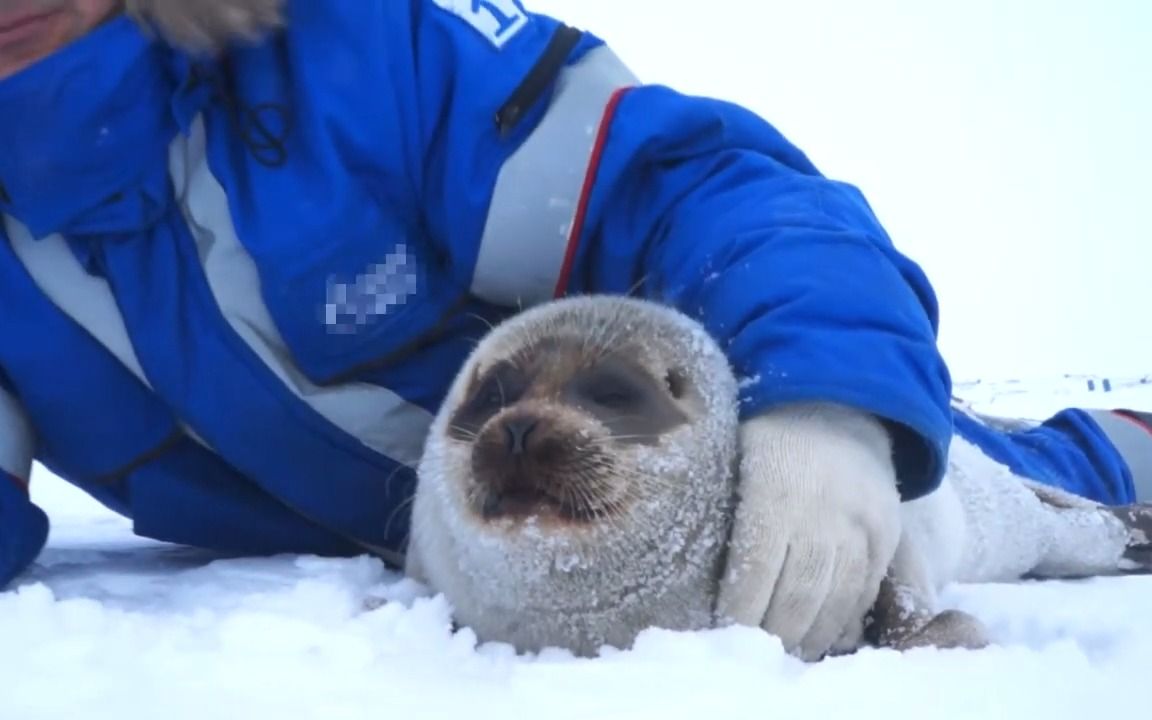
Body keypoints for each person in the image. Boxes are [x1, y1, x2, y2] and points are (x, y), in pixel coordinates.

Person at [0, 0, 1147, 660]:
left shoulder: (363, 49)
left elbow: (696, 188)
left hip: (685, 432)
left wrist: (830, 403)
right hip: (465, 532)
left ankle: (1123, 443)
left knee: (964, 472)